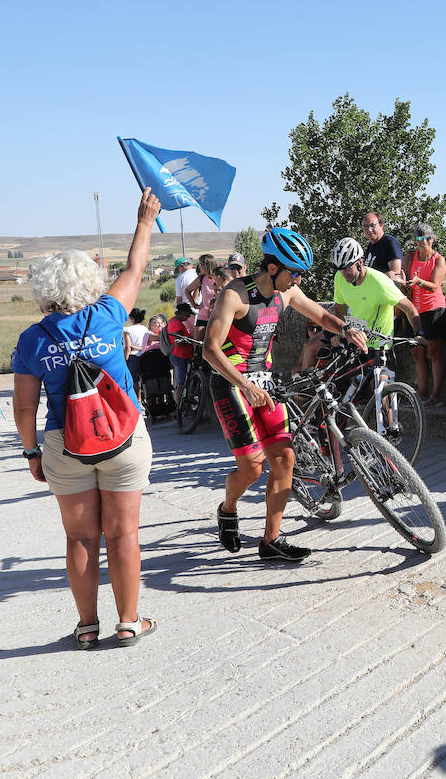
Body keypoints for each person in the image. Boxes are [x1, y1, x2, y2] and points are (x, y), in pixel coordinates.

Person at [11, 187, 161, 648]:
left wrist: (32, 451)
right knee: (124, 534)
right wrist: (144, 220)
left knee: (80, 539)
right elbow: (136, 267)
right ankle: (129, 621)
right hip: (122, 439)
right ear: (89, 283)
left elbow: (23, 407)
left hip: (66, 443)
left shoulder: (32, 340)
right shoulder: (109, 314)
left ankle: (86, 627)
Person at [205, 228, 369, 562]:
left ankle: (271, 541)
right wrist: (245, 384)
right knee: (251, 468)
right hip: (231, 382)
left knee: (285, 459)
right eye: (293, 273)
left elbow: (320, 314)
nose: (297, 281)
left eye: (300, 275)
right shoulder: (235, 295)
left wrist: (346, 329)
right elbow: (210, 349)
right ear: (273, 268)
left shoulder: (287, 292)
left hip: (264, 381)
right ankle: (228, 507)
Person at [405, 222, 446, 405]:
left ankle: (435, 395)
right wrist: (403, 282)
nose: (424, 241)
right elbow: (405, 278)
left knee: (434, 352)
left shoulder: (438, 259)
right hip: (414, 311)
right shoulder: (410, 256)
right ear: (415, 240)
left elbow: (434, 285)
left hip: (433, 309)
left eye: (428, 237)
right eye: (420, 238)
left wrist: (417, 281)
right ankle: (421, 393)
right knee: (417, 353)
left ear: (433, 239)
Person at [137, 314, 175, 419]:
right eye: (156, 323)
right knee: (152, 388)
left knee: (163, 385)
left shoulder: (163, 335)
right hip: (149, 366)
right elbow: (158, 338)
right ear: (150, 325)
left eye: (160, 323)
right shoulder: (148, 334)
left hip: (161, 365)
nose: (158, 325)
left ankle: (163, 409)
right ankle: (153, 410)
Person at [361, 212, 404, 282]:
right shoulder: (371, 245)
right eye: (365, 226)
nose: (369, 230)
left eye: (372, 225)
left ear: (381, 225)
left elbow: (395, 273)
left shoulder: (390, 243)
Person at [166, 302, 196, 389]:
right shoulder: (177, 324)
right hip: (181, 356)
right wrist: (192, 340)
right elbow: (178, 342)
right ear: (182, 313)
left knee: (179, 381)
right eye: (188, 314)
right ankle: (179, 401)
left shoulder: (172, 321)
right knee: (181, 383)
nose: (189, 317)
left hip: (178, 355)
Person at [123, 307, 148, 386]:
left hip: (132, 356)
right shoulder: (145, 329)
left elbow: (128, 347)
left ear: (131, 318)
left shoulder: (127, 330)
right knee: (143, 379)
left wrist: (125, 360)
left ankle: (137, 398)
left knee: (134, 381)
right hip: (144, 356)